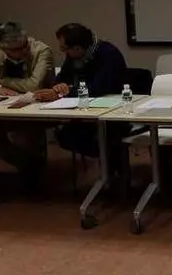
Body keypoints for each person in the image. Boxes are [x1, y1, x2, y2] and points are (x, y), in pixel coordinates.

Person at [35, 24, 134, 181]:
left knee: (106, 138)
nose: (63, 53)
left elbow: (98, 88)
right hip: (85, 110)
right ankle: (109, 167)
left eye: (64, 49)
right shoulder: (74, 55)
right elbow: (62, 78)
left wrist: (66, 91)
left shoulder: (108, 53)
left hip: (114, 111)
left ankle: (114, 172)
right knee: (65, 136)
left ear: (78, 47)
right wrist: (59, 86)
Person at [0, 22, 55, 191]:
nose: (23, 51)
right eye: (16, 49)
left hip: (37, 110)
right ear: (3, 48)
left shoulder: (41, 50)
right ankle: (26, 164)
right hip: (2, 110)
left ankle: (32, 175)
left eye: (25, 45)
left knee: (22, 134)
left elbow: (33, 85)